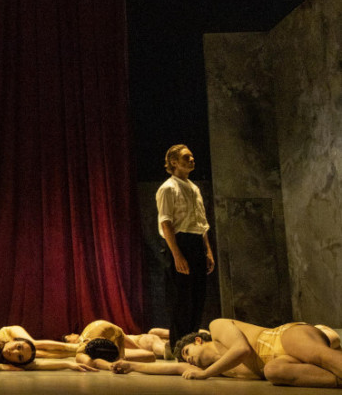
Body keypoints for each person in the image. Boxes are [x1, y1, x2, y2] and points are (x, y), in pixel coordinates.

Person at [111, 318, 342, 388]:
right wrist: (131, 366)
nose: (188, 359)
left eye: (188, 351)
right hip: (279, 362)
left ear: (199, 340)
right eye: (186, 359)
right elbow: (169, 368)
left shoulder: (217, 326)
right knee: (273, 371)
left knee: (321, 356)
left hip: (283, 337)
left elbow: (242, 349)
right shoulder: (211, 368)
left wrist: (206, 374)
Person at [156, 144, 215, 351]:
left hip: (196, 242)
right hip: (179, 243)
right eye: (186, 157)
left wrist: (207, 251)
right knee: (181, 300)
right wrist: (177, 255)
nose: (192, 160)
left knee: (198, 297)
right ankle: (178, 348)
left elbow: (202, 223)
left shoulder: (194, 188)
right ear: (174, 162)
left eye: (192, 157)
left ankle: (192, 345)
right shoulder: (168, 188)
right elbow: (166, 223)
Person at [31, 320, 155, 369]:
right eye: (68, 337)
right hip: (108, 345)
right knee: (150, 352)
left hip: (117, 339)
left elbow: (119, 332)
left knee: (151, 347)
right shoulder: (81, 348)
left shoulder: (100, 331)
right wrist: (111, 365)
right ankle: (32, 348)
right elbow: (92, 363)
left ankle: (32, 347)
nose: (72, 334)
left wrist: (120, 357)